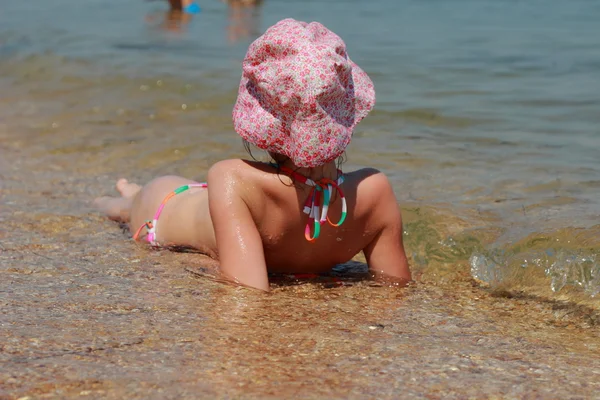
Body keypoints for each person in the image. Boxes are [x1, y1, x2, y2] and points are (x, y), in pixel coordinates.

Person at [94, 18, 411, 291]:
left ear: (265, 131)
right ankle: (114, 196)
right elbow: (394, 285)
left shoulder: (236, 181)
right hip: (163, 208)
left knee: (135, 198)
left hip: (194, 202)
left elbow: (248, 284)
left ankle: (128, 190)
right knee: (121, 207)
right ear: (344, 114)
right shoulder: (375, 192)